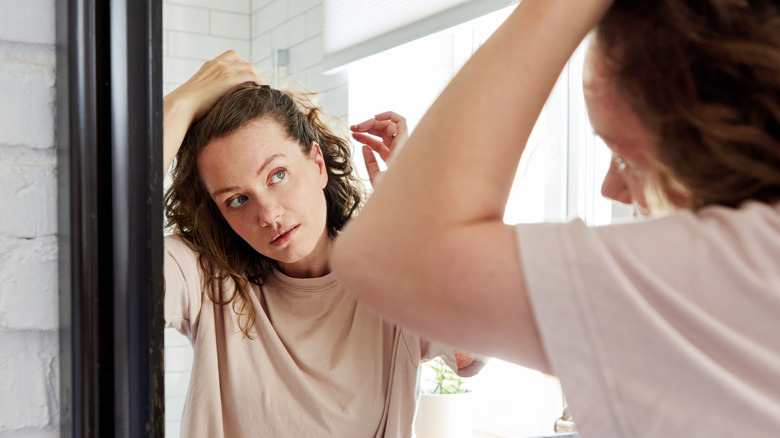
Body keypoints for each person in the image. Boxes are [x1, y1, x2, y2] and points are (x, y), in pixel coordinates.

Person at [331, 0, 780, 437]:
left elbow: (385, 258)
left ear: (713, 139)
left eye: (626, 159)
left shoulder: (742, 267)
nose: (610, 189)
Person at [162, 51, 482, 438]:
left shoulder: (392, 268)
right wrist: (178, 105)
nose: (268, 214)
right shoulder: (204, 274)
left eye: (277, 174)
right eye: (237, 199)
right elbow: (104, 264)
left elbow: (470, 354)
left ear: (317, 164)